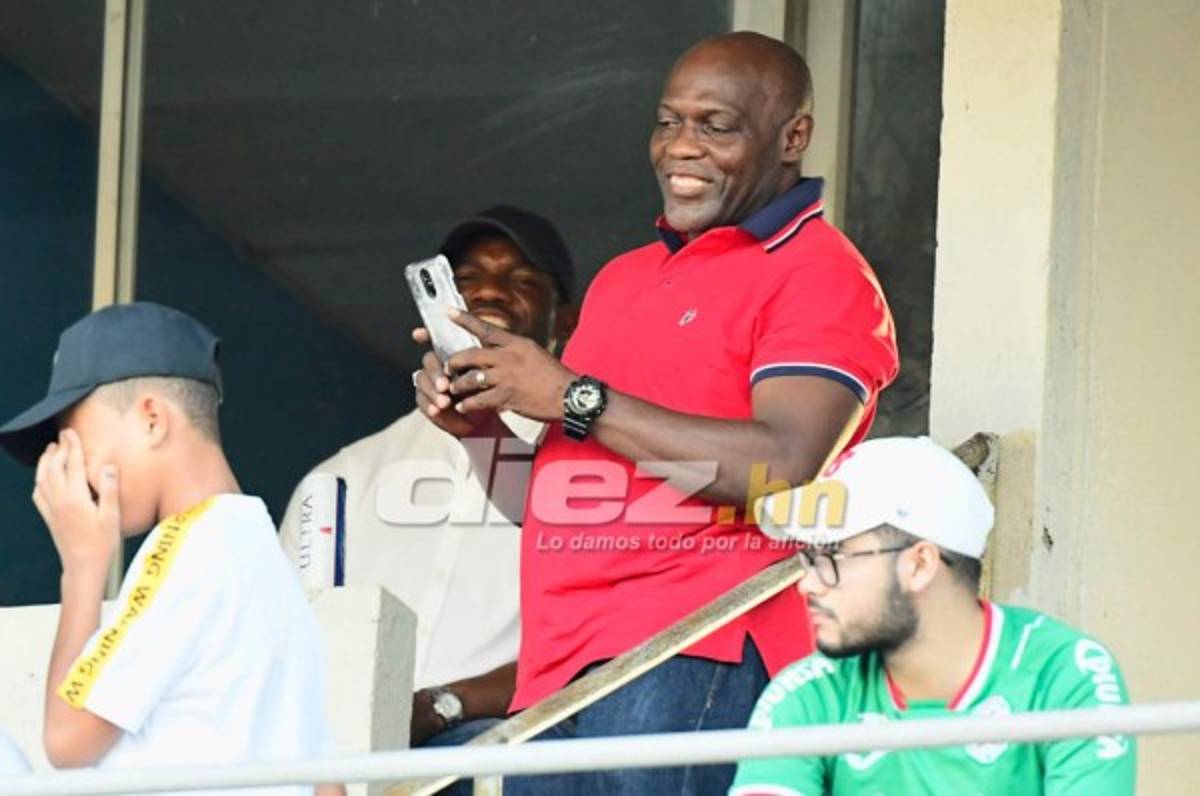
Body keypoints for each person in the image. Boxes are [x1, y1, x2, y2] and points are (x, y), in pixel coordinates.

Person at [413, 32, 898, 793]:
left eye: (716, 125)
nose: (681, 146)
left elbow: (783, 464)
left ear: (793, 136)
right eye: (668, 121)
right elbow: (554, 501)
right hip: (556, 667)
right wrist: (479, 428)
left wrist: (572, 396)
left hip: (694, 648)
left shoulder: (820, 272)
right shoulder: (621, 280)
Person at [0, 302, 343, 796]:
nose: (77, 478)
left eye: (79, 448)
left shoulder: (188, 546)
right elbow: (328, 784)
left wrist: (81, 569)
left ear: (152, 419)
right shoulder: (263, 556)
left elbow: (67, 742)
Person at [281, 206, 576, 750]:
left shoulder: (584, 475)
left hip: (498, 749)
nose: (490, 292)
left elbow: (592, 649)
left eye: (522, 281)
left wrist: (444, 704)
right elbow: (285, 639)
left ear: (564, 322)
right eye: (465, 279)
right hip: (342, 754)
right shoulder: (347, 476)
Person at [730, 436, 1136, 795]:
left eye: (831, 556)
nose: (807, 584)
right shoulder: (807, 691)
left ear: (921, 565)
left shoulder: (1064, 673)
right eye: (808, 558)